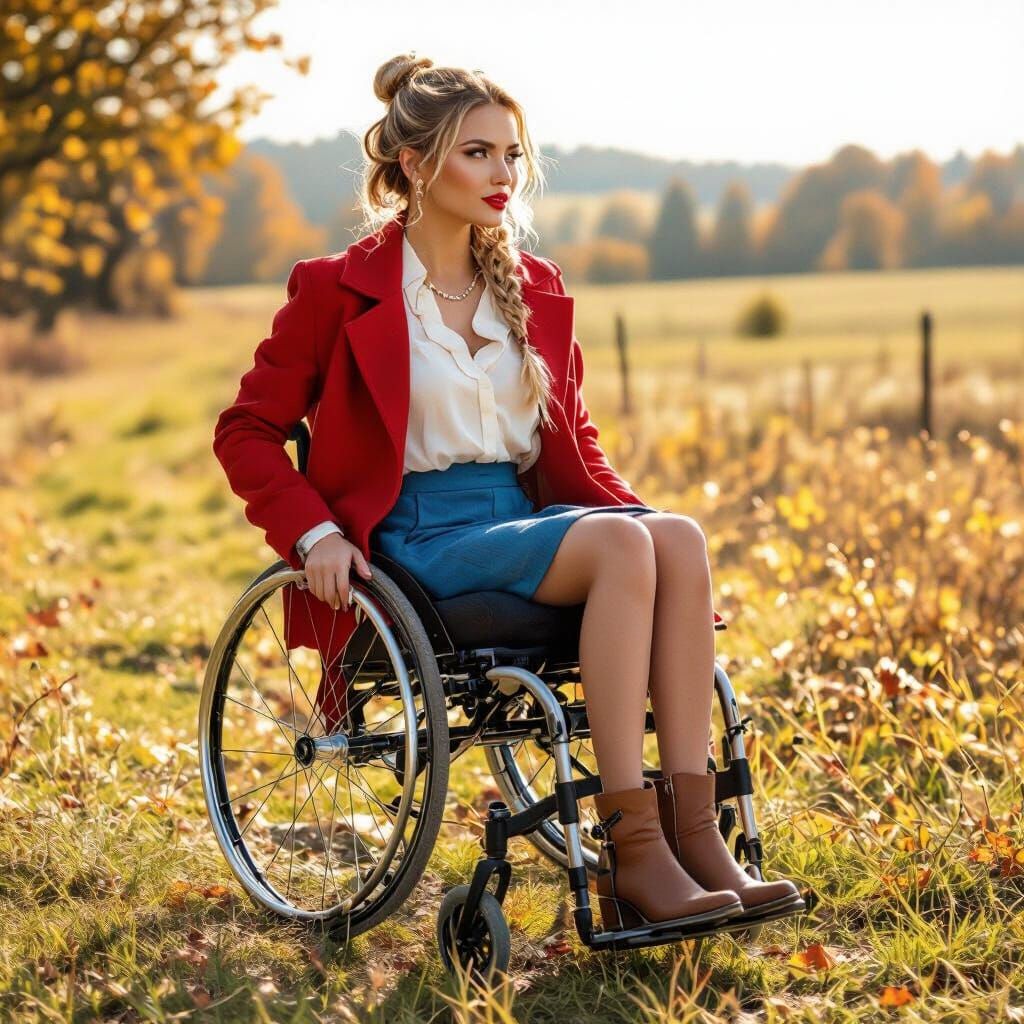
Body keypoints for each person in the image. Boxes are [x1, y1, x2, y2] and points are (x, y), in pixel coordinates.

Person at [213, 53, 800, 934]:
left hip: (518, 521)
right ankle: (635, 850)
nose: (504, 175)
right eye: (478, 153)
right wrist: (314, 536)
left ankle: (695, 836)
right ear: (415, 164)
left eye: (512, 155)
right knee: (624, 543)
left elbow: (575, 442)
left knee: (674, 534)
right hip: (412, 536)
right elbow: (245, 431)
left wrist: (643, 522)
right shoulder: (336, 289)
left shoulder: (532, 285)